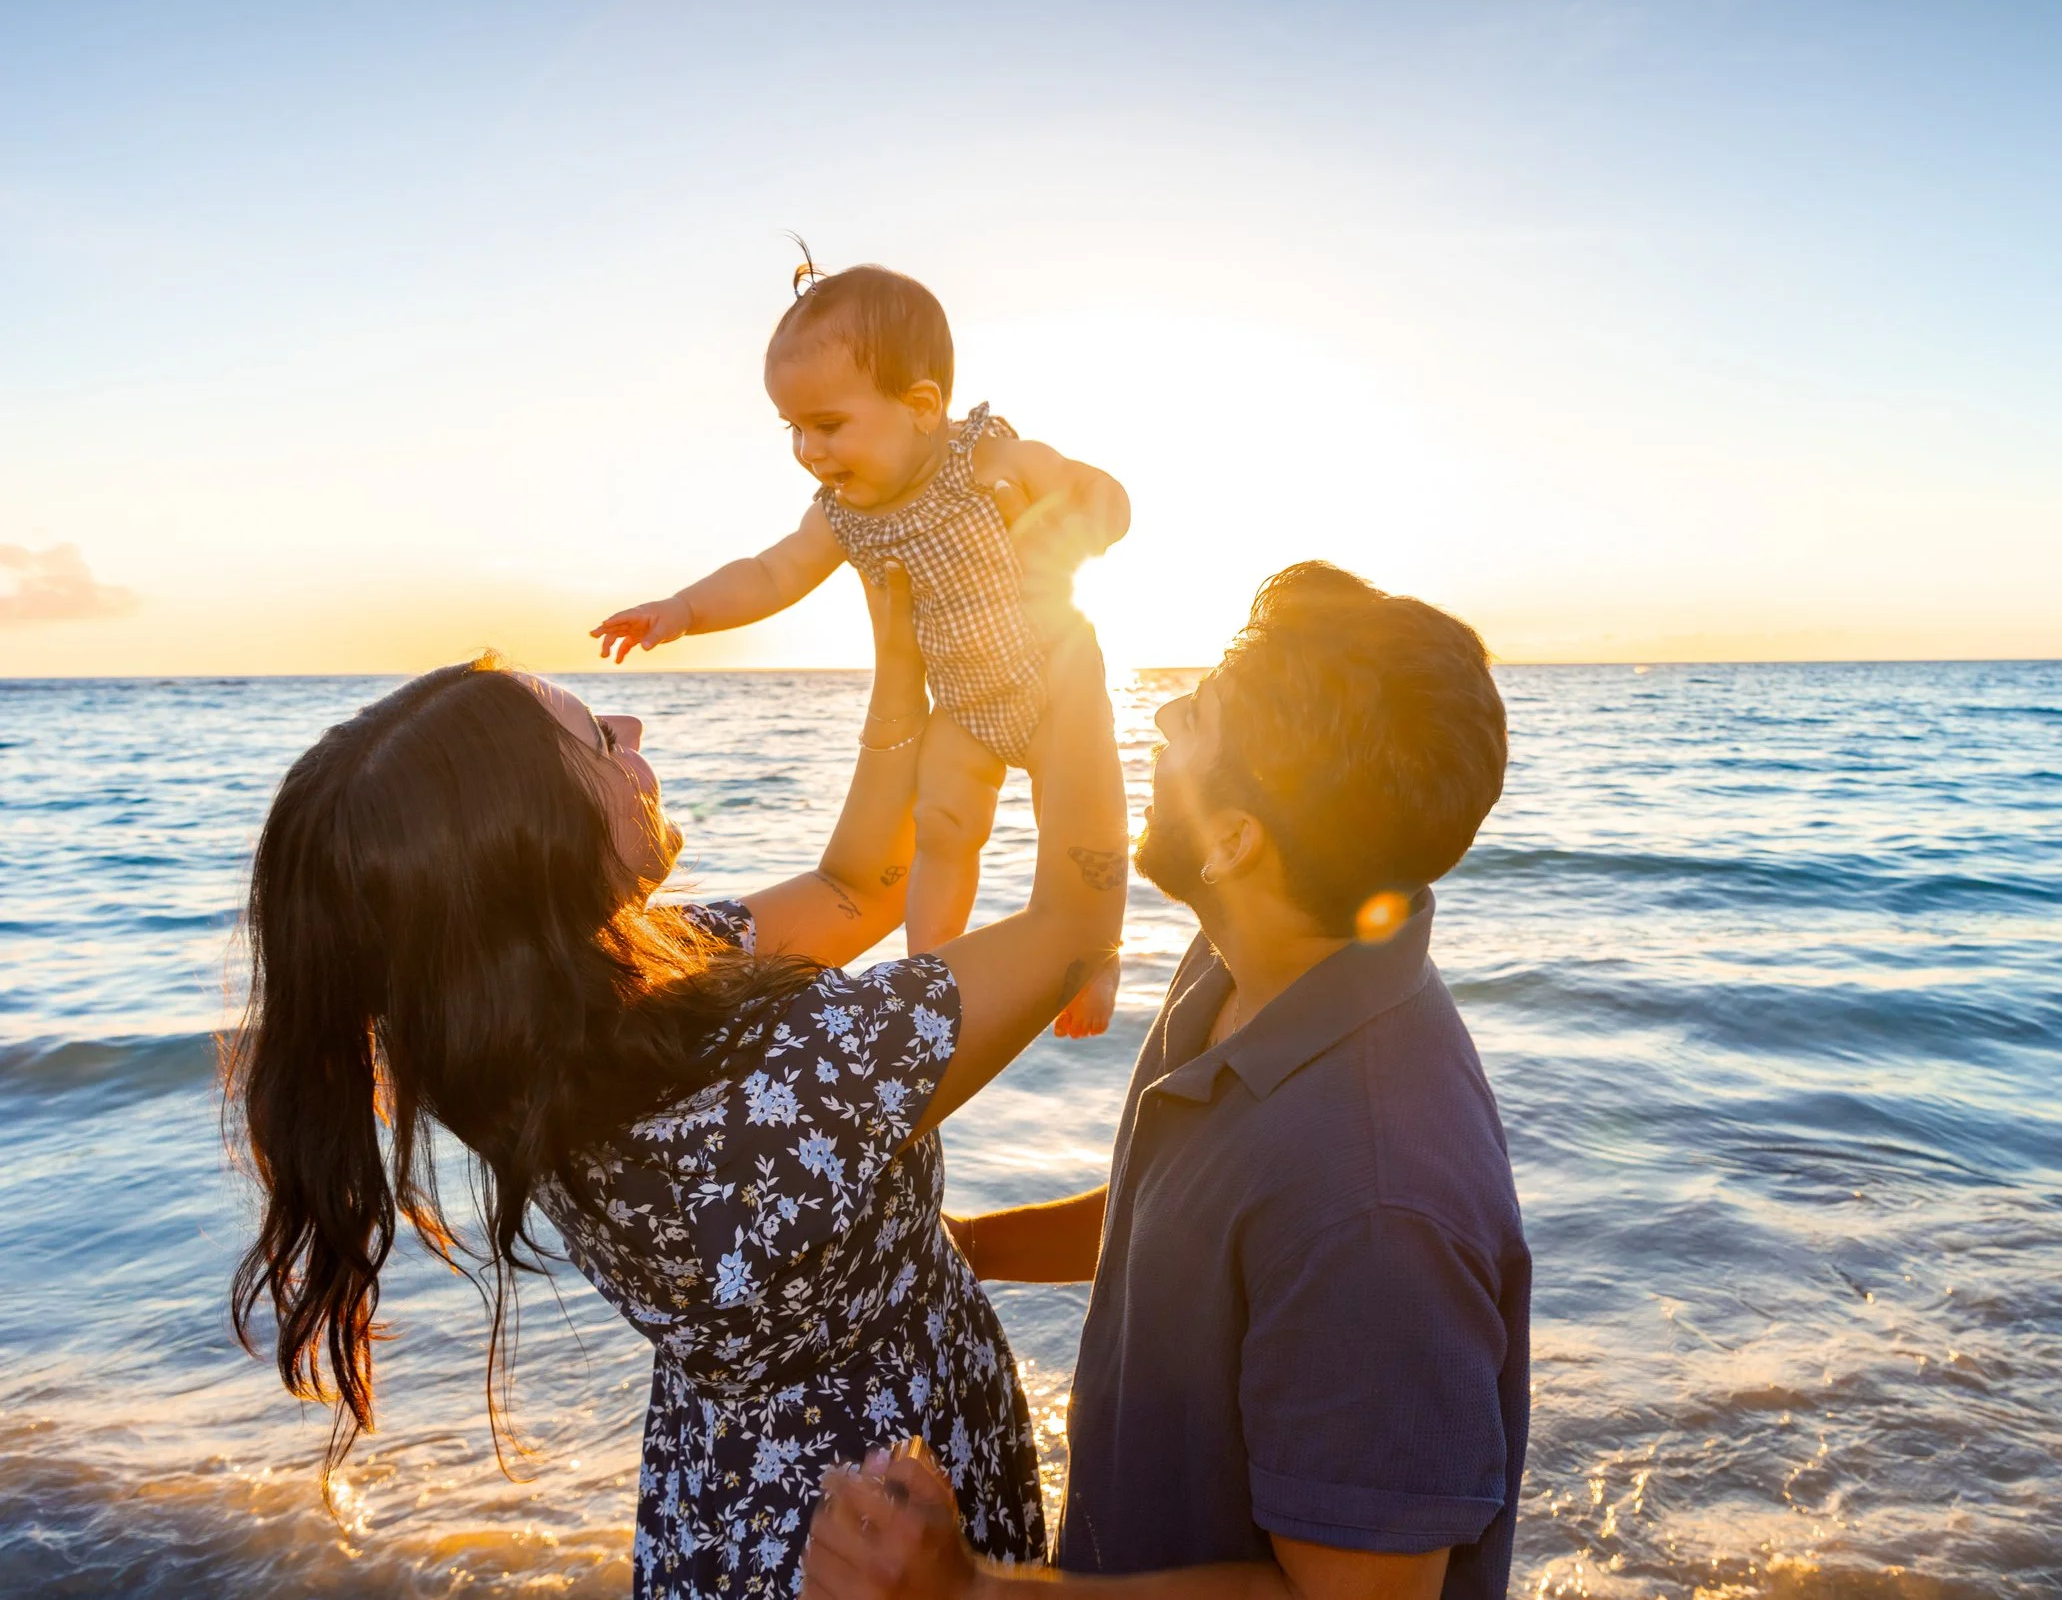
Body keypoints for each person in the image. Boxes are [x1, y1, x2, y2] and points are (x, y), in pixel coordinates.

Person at [224, 533, 1128, 1600]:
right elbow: (1073, 916)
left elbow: (855, 888)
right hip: (870, 1529)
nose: (632, 725)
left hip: (728, 1497)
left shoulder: (536, 1022)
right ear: (543, 853)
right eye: (599, 743)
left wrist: (896, 637)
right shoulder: (785, 1084)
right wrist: (1063, 648)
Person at [804, 562, 1529, 1600]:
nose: (1168, 714)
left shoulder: (1376, 1197)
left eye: (1204, 715)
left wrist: (970, 1593)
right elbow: (1180, 1223)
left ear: (1237, 838)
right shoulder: (1250, 961)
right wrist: (963, 1249)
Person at [591, 257, 1131, 1036]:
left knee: (1082, 815)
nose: (810, 450)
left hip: (1053, 683)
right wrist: (683, 609)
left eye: (828, 425)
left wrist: (1087, 523)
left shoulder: (985, 459)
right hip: (964, 706)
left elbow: (1095, 490)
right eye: (794, 429)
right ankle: (929, 976)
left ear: (921, 405)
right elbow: (771, 572)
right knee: (943, 826)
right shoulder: (843, 514)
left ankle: (1095, 951)